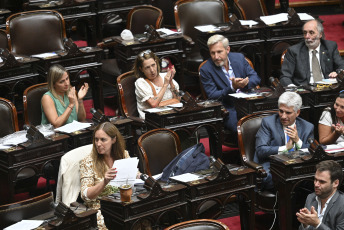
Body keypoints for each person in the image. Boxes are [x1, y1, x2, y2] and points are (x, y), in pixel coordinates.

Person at [80, 122, 137, 230]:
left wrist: (138, 176)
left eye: (103, 139)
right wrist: (104, 182)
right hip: (100, 208)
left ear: (114, 140)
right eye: (96, 139)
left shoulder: (123, 155)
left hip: (123, 203)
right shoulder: (88, 162)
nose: (98, 144)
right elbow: (85, 195)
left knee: (140, 218)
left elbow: (136, 175)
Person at [200, 34, 261, 133]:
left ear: (227, 49)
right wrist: (232, 87)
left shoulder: (239, 58)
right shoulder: (206, 69)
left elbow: (256, 78)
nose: (216, 57)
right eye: (212, 53)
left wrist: (246, 83)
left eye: (219, 52)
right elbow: (212, 95)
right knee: (243, 130)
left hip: (248, 102)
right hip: (229, 108)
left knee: (268, 123)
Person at [254, 92, 314, 190]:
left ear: (297, 112)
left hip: (296, 167)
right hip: (272, 165)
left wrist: (298, 141)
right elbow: (260, 150)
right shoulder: (268, 123)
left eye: (288, 112)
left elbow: (313, 151)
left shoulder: (307, 127)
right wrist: (285, 148)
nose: (283, 116)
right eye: (281, 111)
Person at [280, 19, 344, 87]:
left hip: (327, 88)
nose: (307, 36)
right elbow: (285, 76)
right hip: (305, 90)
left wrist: (338, 73)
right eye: (305, 33)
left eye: (311, 33)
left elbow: (341, 65)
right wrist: (292, 88)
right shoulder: (294, 51)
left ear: (320, 34)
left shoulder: (330, 47)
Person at [296, 160, 344, 230]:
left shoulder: (342, 204)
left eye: (322, 182)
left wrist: (317, 224)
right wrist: (305, 224)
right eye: (315, 180)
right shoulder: (310, 198)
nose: (316, 184)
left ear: (335, 183)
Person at [134, 50, 180, 119]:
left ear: (156, 63)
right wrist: (165, 85)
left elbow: (177, 99)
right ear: (141, 69)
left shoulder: (165, 76)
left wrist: (171, 82)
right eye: (147, 67)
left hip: (169, 115)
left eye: (153, 65)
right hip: (152, 120)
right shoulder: (140, 82)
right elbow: (154, 104)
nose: (152, 70)